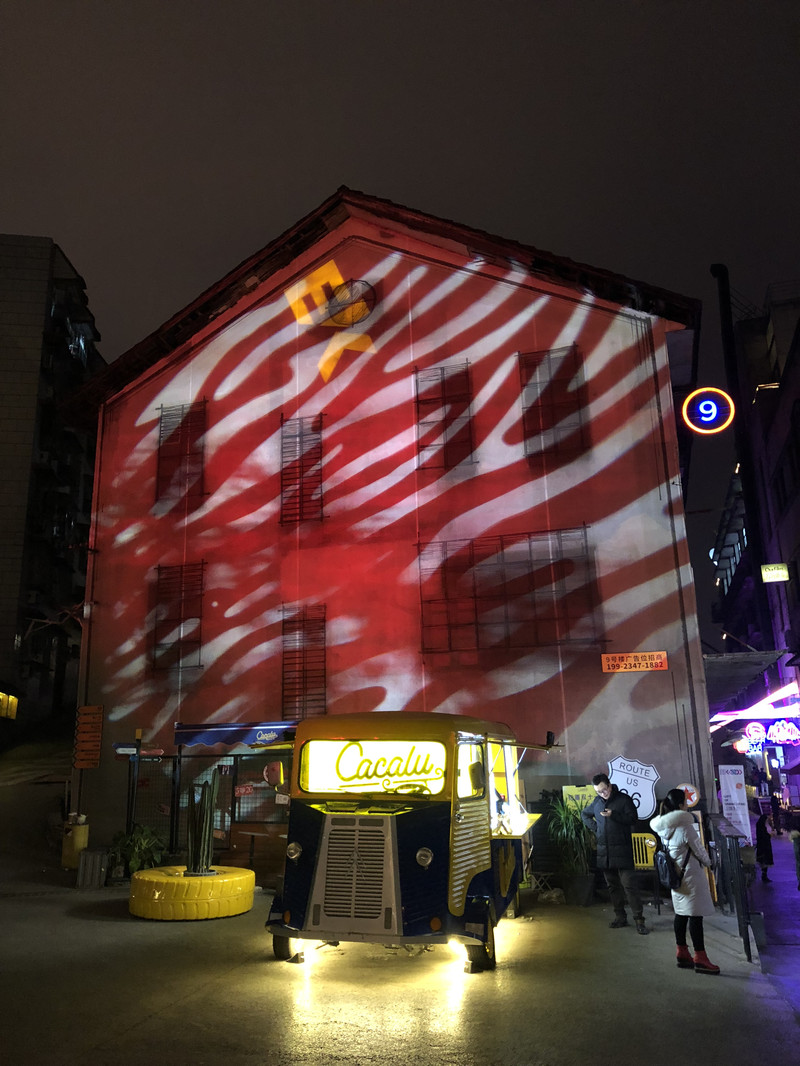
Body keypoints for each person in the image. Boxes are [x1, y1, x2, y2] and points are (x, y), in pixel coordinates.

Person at [651, 788, 719, 974]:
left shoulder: (663, 828)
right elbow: (699, 850)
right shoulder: (685, 827)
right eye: (686, 802)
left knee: (681, 914)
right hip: (690, 877)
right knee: (696, 917)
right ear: (682, 805)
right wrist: (710, 863)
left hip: (675, 877)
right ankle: (701, 958)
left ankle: (682, 952)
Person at [581, 772, 648, 935]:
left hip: (623, 850)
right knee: (612, 887)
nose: (602, 794)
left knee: (629, 886)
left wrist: (614, 815)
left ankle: (639, 920)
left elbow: (633, 819)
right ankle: (620, 917)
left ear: (610, 785)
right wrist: (595, 828)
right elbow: (584, 814)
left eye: (604, 790)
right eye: (599, 792)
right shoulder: (597, 802)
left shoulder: (623, 799)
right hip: (605, 852)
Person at [755, 811, 775, 882]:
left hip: (761, 847)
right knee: (765, 861)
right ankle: (764, 875)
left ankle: (764, 875)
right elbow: (765, 836)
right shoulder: (763, 828)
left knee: (763, 862)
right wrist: (769, 835)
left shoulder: (759, 826)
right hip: (765, 847)